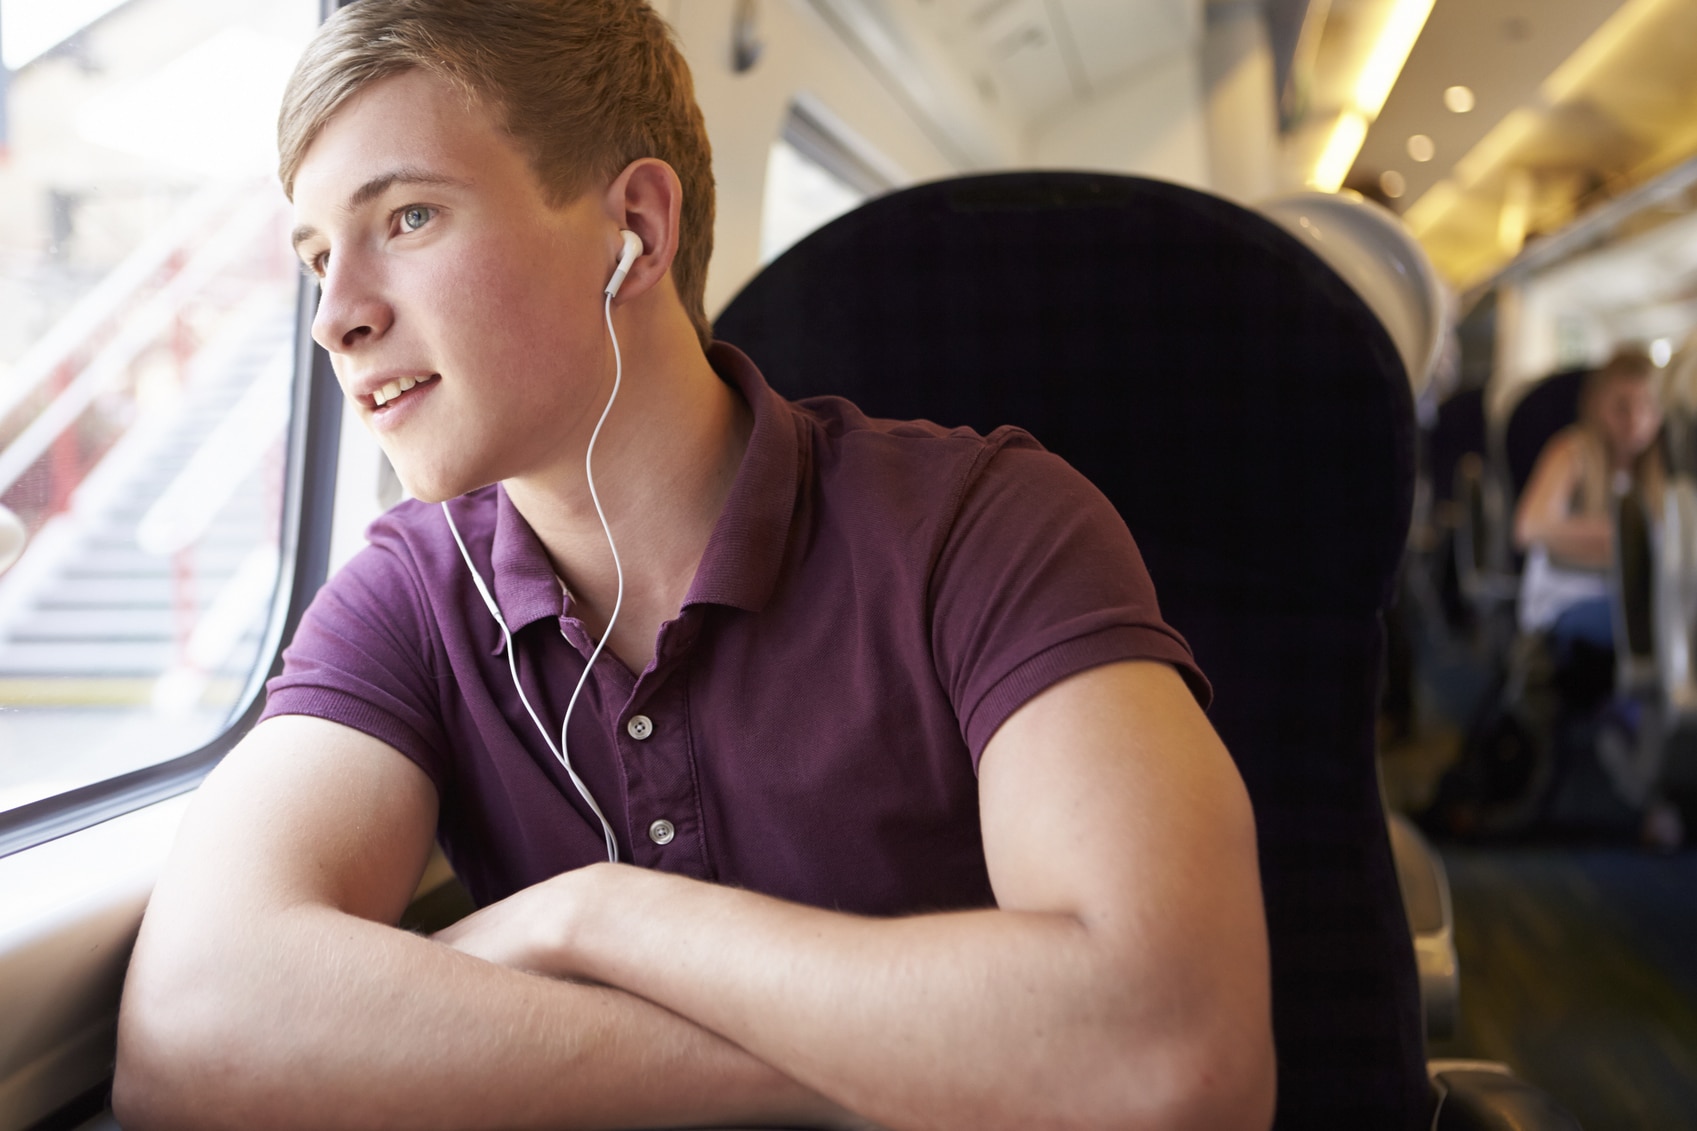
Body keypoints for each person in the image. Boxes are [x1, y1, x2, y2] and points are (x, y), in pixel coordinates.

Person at [112, 2, 1275, 1128]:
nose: (335, 318)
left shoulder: (987, 527)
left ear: (637, 232)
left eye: (407, 218)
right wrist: (909, 1066)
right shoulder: (409, 599)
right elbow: (188, 1028)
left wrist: (595, 919)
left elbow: (1169, 1052)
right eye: (317, 256)